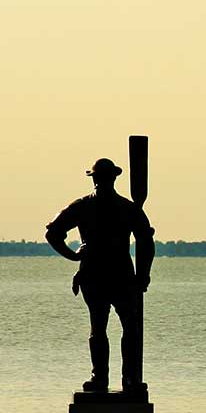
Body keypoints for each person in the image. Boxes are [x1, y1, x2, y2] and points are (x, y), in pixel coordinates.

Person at [45, 158, 155, 395]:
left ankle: (128, 378)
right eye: (99, 178)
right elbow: (52, 232)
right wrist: (74, 256)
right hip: (96, 276)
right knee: (102, 328)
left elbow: (146, 241)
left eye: (102, 178)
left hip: (120, 276)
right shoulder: (88, 207)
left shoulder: (126, 208)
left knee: (128, 328)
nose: (100, 182)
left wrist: (143, 276)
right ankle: (102, 377)